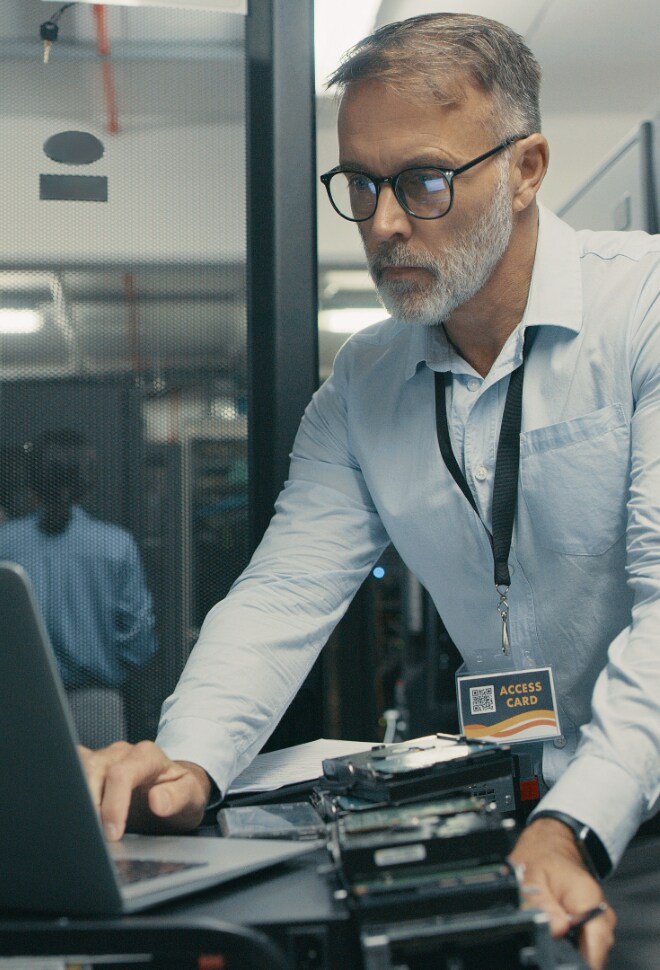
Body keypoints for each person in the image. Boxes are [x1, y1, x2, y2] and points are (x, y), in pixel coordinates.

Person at [81, 13, 659, 969]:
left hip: (625, 799)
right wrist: (185, 763)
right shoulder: (364, 383)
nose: (383, 222)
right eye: (361, 183)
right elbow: (282, 596)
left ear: (525, 168)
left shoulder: (639, 311)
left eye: (424, 181)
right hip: (520, 806)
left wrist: (576, 824)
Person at [0, 428, 158, 746]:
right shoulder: (116, 545)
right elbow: (139, 642)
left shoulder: (5, 543)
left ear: (34, 480)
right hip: (97, 707)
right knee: (100, 796)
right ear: (88, 481)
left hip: (18, 706)